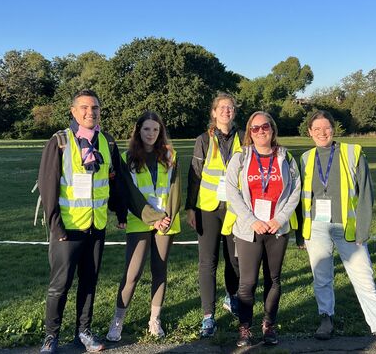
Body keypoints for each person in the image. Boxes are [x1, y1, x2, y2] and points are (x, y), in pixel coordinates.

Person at [38, 90, 168, 354]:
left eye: (95, 108)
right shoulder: (60, 141)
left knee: (89, 282)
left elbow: (119, 182)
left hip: (96, 227)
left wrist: (122, 213)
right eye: (84, 107)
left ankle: (83, 332)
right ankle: (51, 336)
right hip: (67, 229)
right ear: (73, 111)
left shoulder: (106, 142)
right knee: (59, 285)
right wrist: (55, 225)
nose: (90, 112)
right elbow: (48, 186)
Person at [297, 110, 376, 354]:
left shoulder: (352, 152)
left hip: (349, 228)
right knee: (321, 277)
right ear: (309, 133)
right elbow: (300, 198)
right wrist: (299, 233)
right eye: (316, 129)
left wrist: (363, 230)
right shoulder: (305, 158)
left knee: (365, 279)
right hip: (316, 227)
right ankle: (326, 318)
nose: (322, 133)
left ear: (334, 129)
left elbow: (366, 193)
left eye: (326, 128)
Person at [225, 111, 301, 347]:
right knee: (247, 283)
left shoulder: (285, 157)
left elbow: (295, 190)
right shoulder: (241, 156)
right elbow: (231, 190)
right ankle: (245, 328)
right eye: (255, 128)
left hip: (277, 229)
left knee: (273, 279)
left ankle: (269, 325)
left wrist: (279, 218)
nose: (260, 131)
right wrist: (251, 220)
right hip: (249, 229)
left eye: (265, 127)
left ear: (272, 129)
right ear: (249, 132)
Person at [106, 111, 181, 341]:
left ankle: (154, 320)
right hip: (140, 219)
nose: (151, 134)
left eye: (156, 130)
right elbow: (130, 192)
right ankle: (117, 320)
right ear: (139, 130)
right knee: (133, 273)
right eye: (147, 129)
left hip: (166, 222)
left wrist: (166, 217)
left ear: (161, 132)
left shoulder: (170, 154)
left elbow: (176, 189)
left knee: (160, 271)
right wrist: (153, 218)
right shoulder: (128, 157)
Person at [185, 93, 243, 337]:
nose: (226, 111)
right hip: (208, 208)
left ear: (234, 112)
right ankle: (208, 315)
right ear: (214, 112)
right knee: (207, 262)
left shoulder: (244, 138)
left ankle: (232, 299)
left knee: (234, 260)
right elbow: (195, 174)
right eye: (222, 108)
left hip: (235, 210)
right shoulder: (204, 139)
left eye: (229, 107)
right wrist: (190, 207)